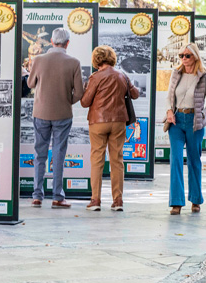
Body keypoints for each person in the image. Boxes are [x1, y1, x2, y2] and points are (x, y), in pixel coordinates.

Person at [26, 27, 84, 209]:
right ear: (67, 43)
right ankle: (58, 196)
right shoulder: (74, 62)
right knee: (58, 154)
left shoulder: (38, 60)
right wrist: (67, 101)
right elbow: (80, 92)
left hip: (40, 113)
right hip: (63, 114)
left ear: (51, 41)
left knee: (39, 154)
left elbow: (30, 83)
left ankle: (37, 195)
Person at [80, 46, 139, 212]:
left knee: (97, 160)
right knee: (117, 160)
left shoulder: (95, 77)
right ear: (112, 58)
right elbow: (134, 95)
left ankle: (95, 200)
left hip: (98, 122)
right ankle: (118, 200)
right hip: (119, 121)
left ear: (96, 60)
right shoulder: (122, 75)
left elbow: (85, 102)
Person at [164, 43, 206, 215]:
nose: (184, 59)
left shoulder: (203, 76)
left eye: (187, 55)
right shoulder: (176, 74)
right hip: (177, 121)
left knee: (194, 161)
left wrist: (203, 114)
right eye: (181, 55)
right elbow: (169, 97)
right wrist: (170, 111)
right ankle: (176, 202)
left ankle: (195, 200)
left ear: (195, 56)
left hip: (195, 122)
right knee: (176, 160)